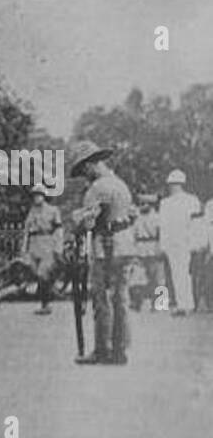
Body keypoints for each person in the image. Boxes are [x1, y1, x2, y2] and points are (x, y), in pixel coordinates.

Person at [67, 139, 136, 365]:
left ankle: (102, 349)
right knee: (121, 298)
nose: (84, 175)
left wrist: (75, 222)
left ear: (91, 165)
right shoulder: (121, 185)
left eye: (84, 170)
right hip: (125, 246)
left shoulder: (97, 188)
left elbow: (87, 223)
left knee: (101, 299)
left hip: (105, 249)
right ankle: (120, 349)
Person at [158, 168, 200, 317]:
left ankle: (186, 304)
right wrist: (163, 245)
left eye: (173, 184)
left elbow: (195, 224)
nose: (171, 187)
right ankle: (183, 304)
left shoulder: (191, 200)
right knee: (178, 274)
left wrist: (195, 243)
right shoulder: (166, 203)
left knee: (183, 273)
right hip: (173, 243)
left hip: (184, 242)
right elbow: (163, 226)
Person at [21, 184, 62, 315]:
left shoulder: (53, 210)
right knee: (37, 274)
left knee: (43, 273)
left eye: (39, 195)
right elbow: (26, 231)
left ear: (44, 196)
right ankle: (46, 301)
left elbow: (58, 230)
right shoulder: (32, 211)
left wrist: (58, 247)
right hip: (34, 245)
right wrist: (24, 248)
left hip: (47, 243)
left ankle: (46, 304)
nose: (36, 198)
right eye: (34, 195)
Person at [129, 193, 161, 311]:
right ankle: (137, 303)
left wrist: (160, 248)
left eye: (145, 204)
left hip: (153, 247)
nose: (142, 206)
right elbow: (133, 235)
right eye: (141, 204)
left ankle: (159, 304)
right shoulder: (138, 219)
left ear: (151, 205)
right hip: (140, 248)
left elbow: (161, 234)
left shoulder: (157, 217)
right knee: (137, 278)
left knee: (156, 278)